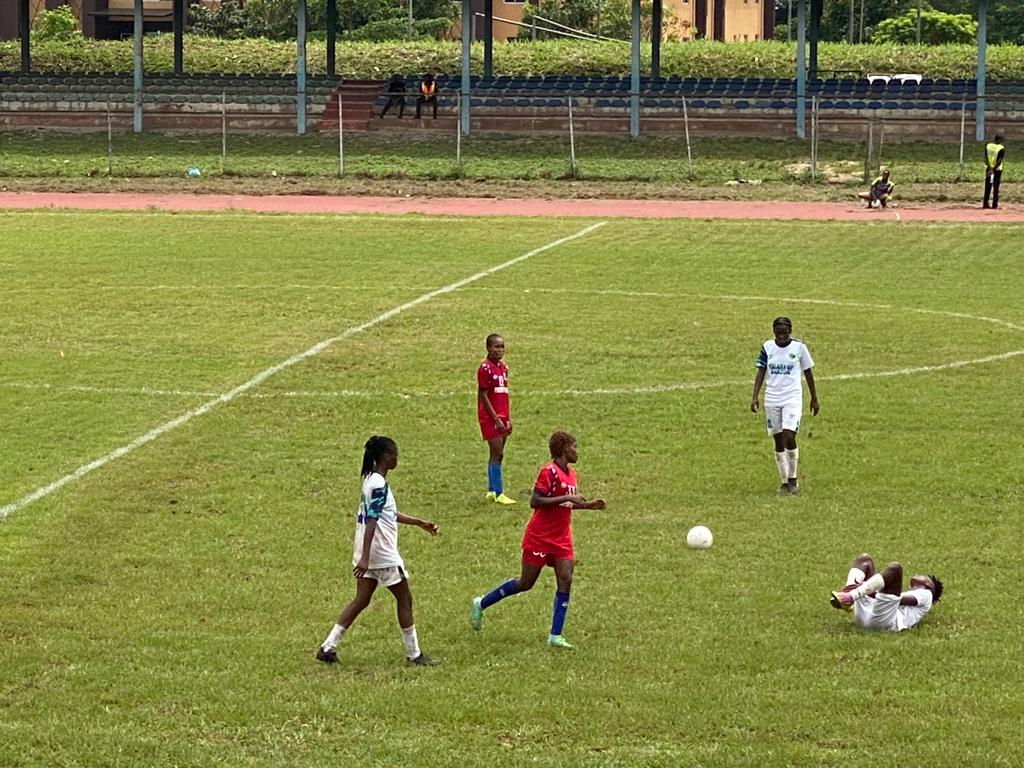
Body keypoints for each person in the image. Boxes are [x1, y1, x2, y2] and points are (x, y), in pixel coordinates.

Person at [470, 431, 606, 649]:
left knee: (566, 578)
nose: (577, 451)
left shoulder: (571, 475)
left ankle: (555, 635)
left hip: (561, 538)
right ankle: (481, 603)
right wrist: (568, 497)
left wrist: (588, 506)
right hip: (540, 537)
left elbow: (566, 504)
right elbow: (536, 501)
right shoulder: (548, 472)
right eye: (574, 446)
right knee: (525, 583)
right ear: (563, 449)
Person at [315, 435, 439, 666]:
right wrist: (365, 558)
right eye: (395, 455)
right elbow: (372, 520)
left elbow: (387, 514)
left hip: (367, 551)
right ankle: (414, 654)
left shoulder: (370, 480)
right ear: (386, 457)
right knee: (405, 599)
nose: (397, 459)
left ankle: (327, 647)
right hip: (381, 554)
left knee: (361, 599)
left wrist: (419, 522)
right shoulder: (379, 484)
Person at [750, 316, 819, 494]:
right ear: (774, 331)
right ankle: (783, 481)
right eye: (778, 332)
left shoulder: (799, 348)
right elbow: (761, 371)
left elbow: (808, 372)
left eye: (785, 332)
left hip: (792, 399)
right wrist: (755, 396)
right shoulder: (767, 348)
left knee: (789, 435)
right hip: (772, 399)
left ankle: (793, 478)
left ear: (790, 331)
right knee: (778, 439)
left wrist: (814, 398)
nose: (781, 336)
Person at [829, 553, 943, 632]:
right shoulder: (915, 595)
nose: (919, 574)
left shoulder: (927, 594)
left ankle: (851, 596)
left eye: (924, 576)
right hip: (867, 616)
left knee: (895, 569)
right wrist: (866, 588)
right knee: (864, 560)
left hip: (884, 622)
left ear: (929, 584)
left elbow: (899, 601)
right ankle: (847, 600)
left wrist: (863, 587)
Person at [478, 333, 515, 505]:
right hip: (491, 418)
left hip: (502, 416)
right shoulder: (485, 368)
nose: (500, 350)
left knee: (497, 454)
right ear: (488, 348)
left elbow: (503, 395)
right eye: (496, 347)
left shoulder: (503, 368)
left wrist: (507, 418)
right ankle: (499, 492)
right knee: (497, 452)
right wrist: (495, 419)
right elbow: (483, 395)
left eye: (502, 347)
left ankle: (492, 490)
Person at [984, 133, 1005, 210]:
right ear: (999, 140)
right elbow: (999, 161)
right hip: (997, 170)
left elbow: (985, 158)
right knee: (996, 187)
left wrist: (990, 168)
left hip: (988, 169)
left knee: (987, 186)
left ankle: (985, 204)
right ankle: (994, 205)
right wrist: (993, 169)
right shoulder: (1001, 148)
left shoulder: (988, 146)